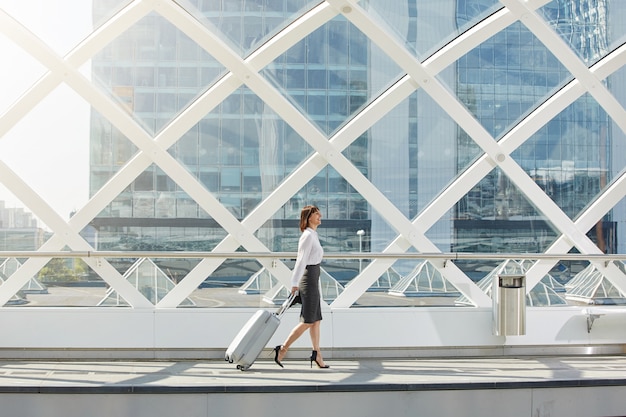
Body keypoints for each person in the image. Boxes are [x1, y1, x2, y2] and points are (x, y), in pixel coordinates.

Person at [273, 205, 329, 369]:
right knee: (308, 320)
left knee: (316, 320)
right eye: (316, 214)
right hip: (308, 279)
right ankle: (282, 349)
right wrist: (294, 283)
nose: (320, 217)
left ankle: (317, 354)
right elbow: (301, 261)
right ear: (308, 217)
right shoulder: (307, 236)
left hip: (313, 278)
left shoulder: (313, 234)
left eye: (320, 214)